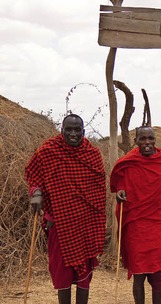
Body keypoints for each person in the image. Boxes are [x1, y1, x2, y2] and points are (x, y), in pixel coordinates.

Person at [25, 114, 106, 304]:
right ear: (61, 130)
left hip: (86, 225)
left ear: (83, 132)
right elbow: (33, 176)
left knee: (85, 276)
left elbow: (98, 192)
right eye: (68, 129)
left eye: (77, 130)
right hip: (59, 225)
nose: (72, 133)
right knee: (62, 275)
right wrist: (36, 193)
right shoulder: (48, 151)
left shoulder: (92, 155)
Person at [110, 126, 161, 304]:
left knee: (156, 273)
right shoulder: (128, 162)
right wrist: (120, 192)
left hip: (158, 223)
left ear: (155, 140)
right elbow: (120, 185)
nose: (147, 143)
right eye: (143, 139)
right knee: (138, 274)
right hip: (136, 225)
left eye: (150, 139)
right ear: (136, 141)